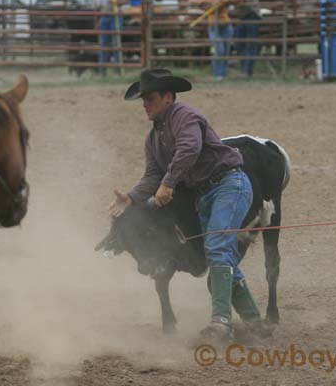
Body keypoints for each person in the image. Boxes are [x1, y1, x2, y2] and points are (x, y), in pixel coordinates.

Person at [109, 68, 265, 342]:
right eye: (143, 99)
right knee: (222, 254)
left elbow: (189, 149)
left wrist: (169, 183)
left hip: (229, 185)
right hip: (207, 195)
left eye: (150, 98)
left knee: (217, 248)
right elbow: (152, 176)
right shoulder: (153, 138)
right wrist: (131, 197)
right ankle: (254, 323)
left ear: (168, 97)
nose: (145, 104)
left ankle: (221, 324)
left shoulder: (186, 116)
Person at [189, 0, 232, 81]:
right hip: (213, 26)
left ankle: (224, 74)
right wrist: (208, 3)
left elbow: (227, 1)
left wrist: (217, 1)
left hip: (226, 25)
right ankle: (217, 74)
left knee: (226, 51)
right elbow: (192, 0)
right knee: (219, 50)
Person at [228, 0, 261, 77]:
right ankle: (244, 69)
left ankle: (247, 71)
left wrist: (226, 2)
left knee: (250, 44)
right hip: (242, 17)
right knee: (239, 44)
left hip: (252, 16)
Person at [94, 0, 126, 76]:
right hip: (103, 17)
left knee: (116, 44)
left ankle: (117, 72)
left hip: (115, 16)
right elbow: (96, 8)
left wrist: (117, 2)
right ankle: (102, 72)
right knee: (102, 45)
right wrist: (96, 20)